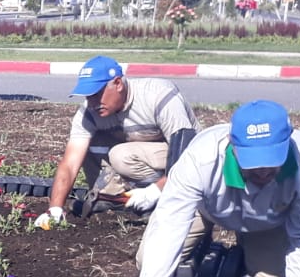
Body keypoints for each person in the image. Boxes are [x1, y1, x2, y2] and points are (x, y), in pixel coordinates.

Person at [137, 100, 300, 277]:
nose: (262, 170)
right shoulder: (201, 159)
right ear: (232, 144)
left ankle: (236, 258)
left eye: (271, 158)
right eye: (252, 160)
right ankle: (203, 250)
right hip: (206, 210)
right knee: (145, 260)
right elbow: (170, 224)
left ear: (289, 140)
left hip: (267, 223)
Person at [34, 56, 198, 230]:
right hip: (143, 154)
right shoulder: (89, 113)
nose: (92, 103)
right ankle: (114, 198)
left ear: (118, 83)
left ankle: (161, 203)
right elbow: (70, 163)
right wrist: (54, 209)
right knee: (90, 143)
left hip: (188, 158)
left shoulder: (158, 95)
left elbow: (185, 152)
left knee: (121, 155)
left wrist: (157, 190)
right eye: (88, 97)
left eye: (96, 95)